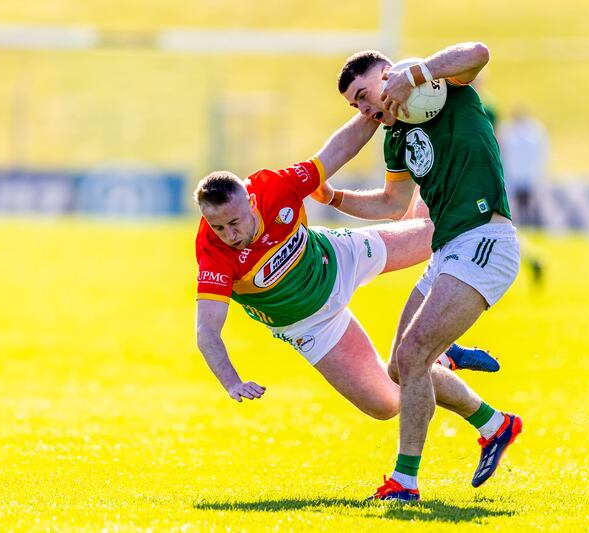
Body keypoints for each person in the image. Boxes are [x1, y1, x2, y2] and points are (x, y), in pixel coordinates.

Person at [194, 114, 502, 450]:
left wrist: (374, 112)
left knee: (435, 234)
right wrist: (231, 382)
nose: (229, 235)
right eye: (218, 227)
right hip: (309, 324)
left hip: (339, 256)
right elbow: (207, 331)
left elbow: (338, 149)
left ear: (251, 201)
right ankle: (450, 369)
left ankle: (439, 147)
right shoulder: (213, 254)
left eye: (234, 223)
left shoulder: (275, 186)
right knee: (387, 404)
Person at [314, 42, 523, 501]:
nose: (366, 108)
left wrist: (418, 73)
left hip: (486, 241)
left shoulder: (443, 87)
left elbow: (480, 51)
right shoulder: (395, 138)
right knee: (399, 367)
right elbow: (394, 206)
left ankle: (404, 483)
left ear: (388, 74)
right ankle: (495, 424)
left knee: (413, 357)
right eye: (356, 105)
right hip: (448, 251)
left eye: (366, 94)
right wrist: (334, 198)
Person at [498, 107, 549, 227]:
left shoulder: (529, 131)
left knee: (527, 202)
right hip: (520, 174)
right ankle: (526, 223)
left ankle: (531, 223)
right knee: (522, 202)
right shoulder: (515, 131)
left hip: (524, 174)